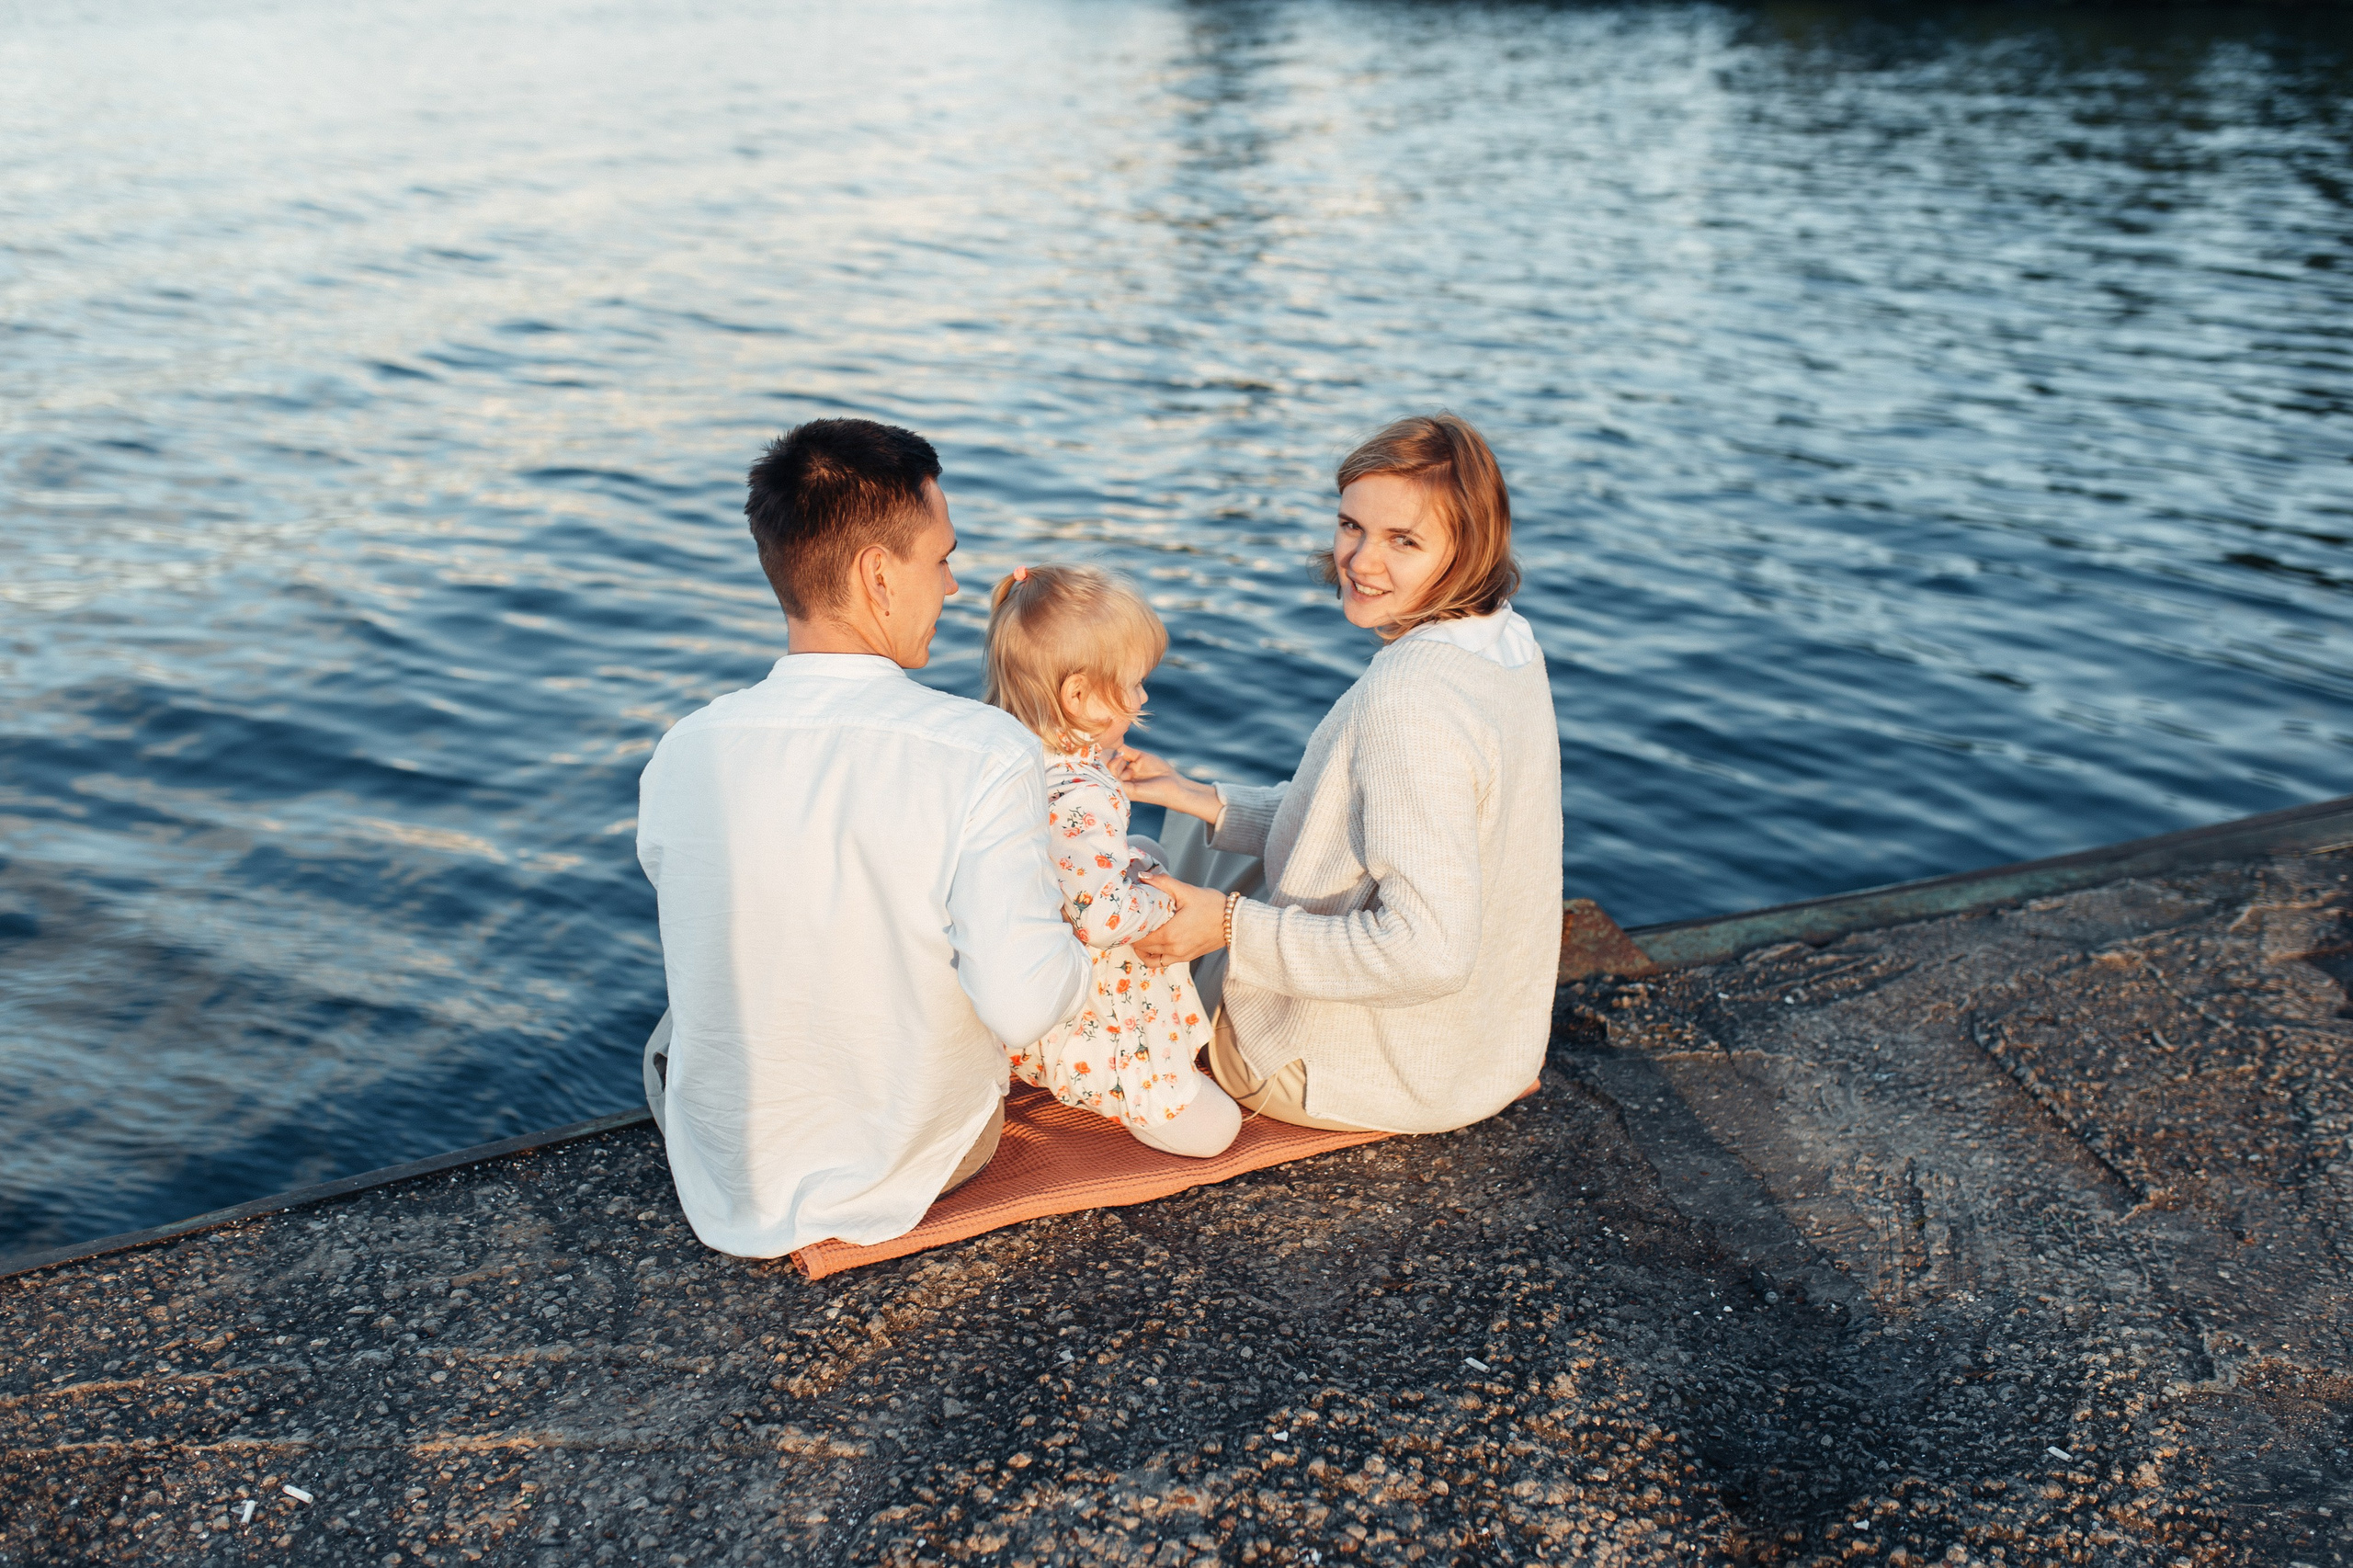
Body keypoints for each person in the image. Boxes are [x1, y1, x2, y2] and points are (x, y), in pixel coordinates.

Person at [634, 419, 1089, 1258]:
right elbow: (1025, 1008)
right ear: (879, 575)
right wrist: (1087, 927)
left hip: (726, 1169)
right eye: (943, 559)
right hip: (912, 1160)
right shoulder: (985, 751)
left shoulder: (684, 749)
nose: (953, 587)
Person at [1121, 412, 1563, 1134]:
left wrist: (1225, 926)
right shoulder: (1507, 643)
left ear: (1469, 549)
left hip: (1348, 1074)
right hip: (1479, 1055)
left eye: (1404, 541)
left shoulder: (1408, 698)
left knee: (1144, 893)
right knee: (1196, 833)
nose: (1360, 560)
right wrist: (1197, 796)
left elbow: (1429, 953)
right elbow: (1358, 819)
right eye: (1351, 526)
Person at [983, 564, 1244, 1157]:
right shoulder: (1084, 791)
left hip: (1020, 967)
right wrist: (1158, 899)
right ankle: (1135, 1087)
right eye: (1132, 683)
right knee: (1218, 1131)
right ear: (1078, 695)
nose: (1144, 696)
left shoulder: (1002, 753)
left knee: (1146, 852)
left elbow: (1054, 862)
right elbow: (1099, 919)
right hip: (1090, 995)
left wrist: (1132, 856)